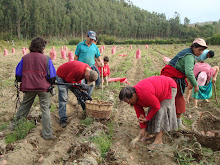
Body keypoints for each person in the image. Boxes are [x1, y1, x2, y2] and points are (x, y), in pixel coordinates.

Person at [14, 37, 56, 140]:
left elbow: (18, 75)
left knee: (24, 107)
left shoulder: (25, 58)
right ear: (42, 48)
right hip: (43, 88)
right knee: (45, 109)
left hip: (28, 87)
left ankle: (15, 127)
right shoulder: (46, 59)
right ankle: (47, 134)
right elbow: (52, 76)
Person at [119, 76, 178, 149]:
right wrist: (142, 128)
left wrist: (147, 118)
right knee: (151, 111)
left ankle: (159, 140)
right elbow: (140, 113)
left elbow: (156, 106)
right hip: (157, 90)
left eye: (128, 101)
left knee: (161, 112)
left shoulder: (144, 94)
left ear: (133, 95)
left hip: (168, 87)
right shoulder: (135, 98)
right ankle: (148, 133)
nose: (128, 103)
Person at [161, 38, 208, 129]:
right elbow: (189, 72)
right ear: (194, 47)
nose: (201, 52)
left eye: (203, 50)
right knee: (179, 99)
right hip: (173, 78)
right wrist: (195, 85)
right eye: (199, 50)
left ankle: (170, 120)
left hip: (172, 76)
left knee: (170, 98)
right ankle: (177, 123)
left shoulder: (188, 52)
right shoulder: (189, 56)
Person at [56, 61, 98, 128]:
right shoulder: (79, 70)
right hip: (62, 76)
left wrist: (80, 88)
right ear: (87, 75)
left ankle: (86, 112)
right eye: (87, 79)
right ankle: (63, 119)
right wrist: (78, 86)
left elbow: (78, 78)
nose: (86, 80)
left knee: (80, 94)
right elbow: (69, 79)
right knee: (63, 98)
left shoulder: (88, 69)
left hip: (71, 76)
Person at [74, 31, 104, 96]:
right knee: (81, 84)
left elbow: (97, 55)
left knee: (90, 84)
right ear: (86, 37)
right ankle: (81, 98)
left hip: (91, 67)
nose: (92, 40)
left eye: (93, 39)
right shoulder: (80, 45)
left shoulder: (94, 46)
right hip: (81, 68)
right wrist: (75, 66)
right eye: (90, 38)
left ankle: (88, 97)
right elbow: (76, 56)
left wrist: (100, 61)